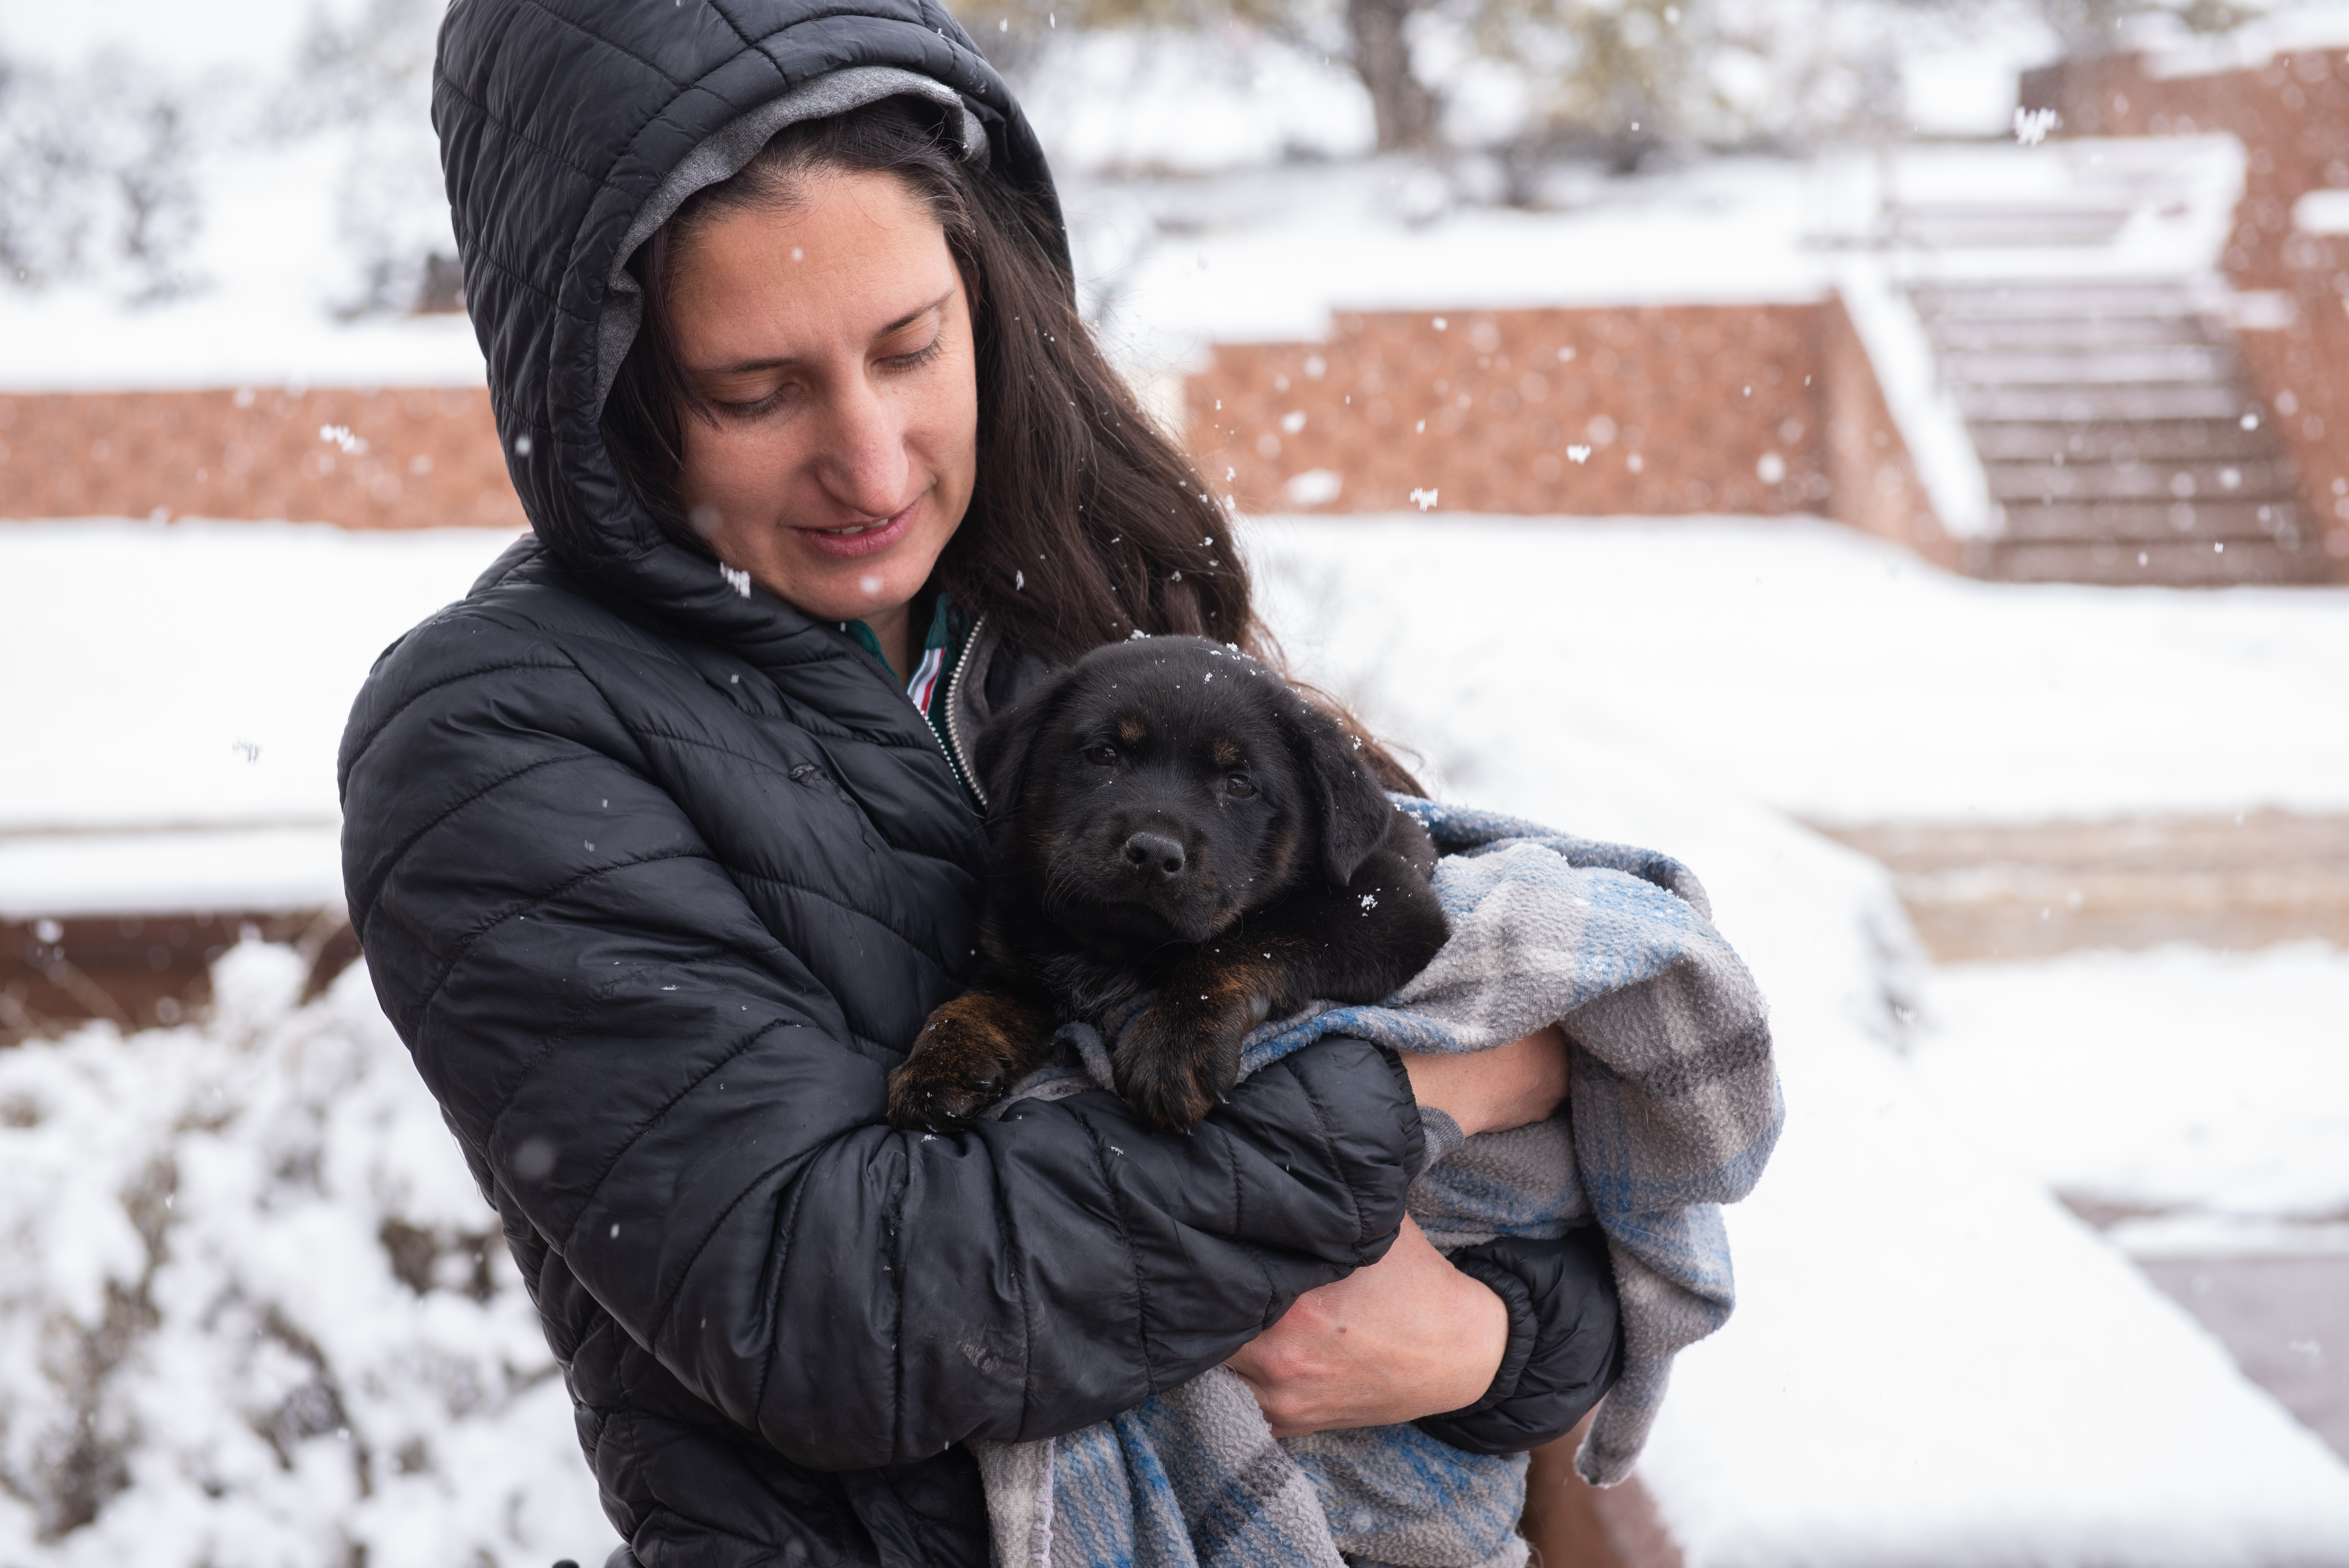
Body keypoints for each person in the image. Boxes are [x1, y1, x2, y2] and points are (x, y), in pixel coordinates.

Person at [340, 2, 1622, 1562]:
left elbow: (1543, 1233)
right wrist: (1416, 1093)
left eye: (908, 347)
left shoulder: (1084, 603)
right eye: (757, 389)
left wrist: (1485, 1348)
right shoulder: (497, 736)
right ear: (609, 389)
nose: (873, 466)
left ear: (986, 292)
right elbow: (843, 1313)